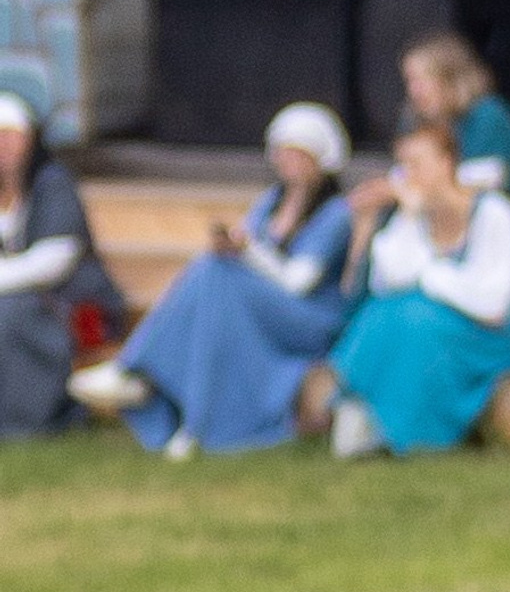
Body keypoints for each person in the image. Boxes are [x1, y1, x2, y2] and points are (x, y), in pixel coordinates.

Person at [66, 105, 356, 458]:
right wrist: (235, 247)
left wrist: (246, 251)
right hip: (262, 304)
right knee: (213, 275)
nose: (287, 161)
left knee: (214, 274)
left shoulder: (336, 213)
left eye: (298, 153)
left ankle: (139, 369)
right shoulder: (271, 202)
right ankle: (177, 405)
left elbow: (298, 281)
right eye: (283, 151)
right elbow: (249, 244)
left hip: (310, 317)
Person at [316, 120, 510, 458]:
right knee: (383, 314)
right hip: (428, 316)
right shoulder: (412, 213)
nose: (408, 174)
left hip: (490, 333)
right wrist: (408, 216)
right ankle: (367, 419)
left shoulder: (495, 213)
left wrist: (428, 277)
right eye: (402, 165)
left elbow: (494, 302)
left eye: (417, 163)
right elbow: (389, 278)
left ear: (446, 163)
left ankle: (415, 433)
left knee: (415, 319)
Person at [0, 94, 126, 439]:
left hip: (76, 306)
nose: (3, 147)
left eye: (10, 136)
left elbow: (51, 263)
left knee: (10, 315)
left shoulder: (52, 184)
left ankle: (27, 421)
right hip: (19, 297)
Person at [400, 32, 510, 203]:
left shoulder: (489, 115)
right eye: (409, 81)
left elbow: (487, 178)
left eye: (421, 80)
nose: (414, 91)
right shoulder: (420, 123)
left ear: (450, 79)